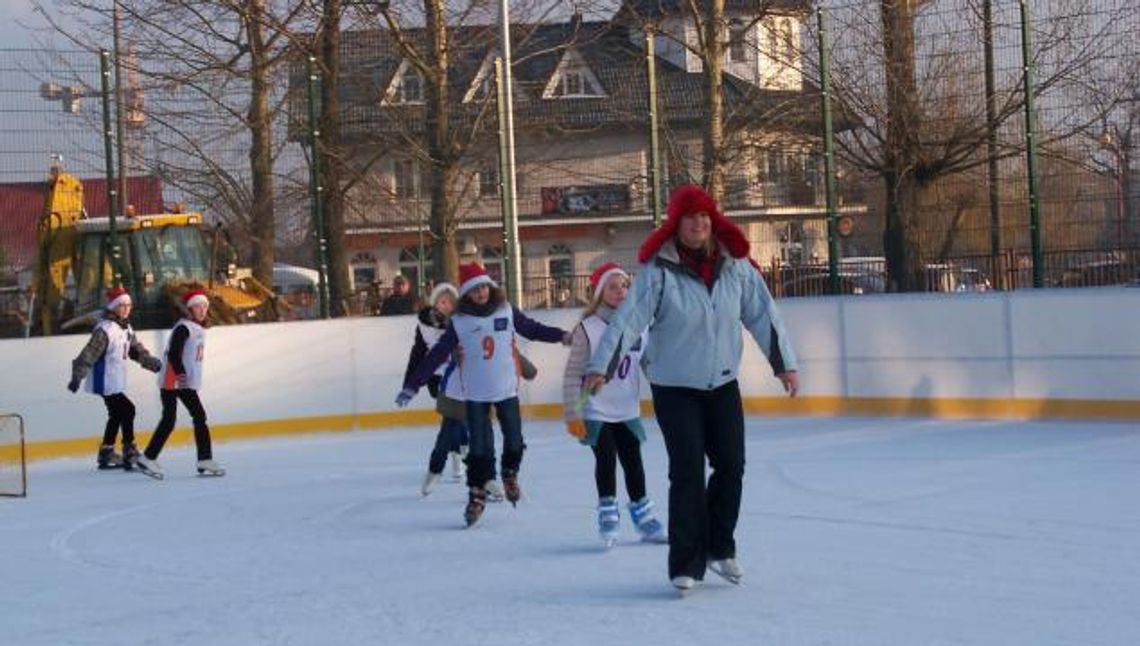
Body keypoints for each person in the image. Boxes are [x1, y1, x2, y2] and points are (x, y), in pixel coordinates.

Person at [584, 185, 799, 593]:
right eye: (690, 217)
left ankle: (720, 547)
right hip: (675, 388)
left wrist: (784, 363)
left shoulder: (736, 266)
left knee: (731, 466)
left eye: (705, 216)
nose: (699, 223)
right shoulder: (659, 273)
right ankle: (686, 562)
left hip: (721, 384)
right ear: (676, 224)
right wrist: (602, 366)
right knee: (687, 473)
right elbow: (626, 322)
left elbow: (763, 315)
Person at [397, 263, 571, 527]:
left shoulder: (506, 310)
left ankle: (509, 473)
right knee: (478, 448)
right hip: (475, 395)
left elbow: (532, 329)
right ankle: (476, 495)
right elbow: (436, 355)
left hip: (507, 391)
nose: (481, 293)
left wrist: (561, 336)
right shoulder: (459, 322)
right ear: (466, 294)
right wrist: (412, 385)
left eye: (484, 287)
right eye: (475, 289)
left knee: (514, 440)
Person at [563, 262, 666, 548]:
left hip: (627, 410)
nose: (620, 291)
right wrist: (572, 413)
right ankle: (608, 515)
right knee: (606, 459)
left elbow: (649, 365)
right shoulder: (588, 328)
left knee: (634, 462)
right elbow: (572, 374)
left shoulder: (639, 325)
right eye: (612, 286)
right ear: (599, 294)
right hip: (595, 410)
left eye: (624, 285)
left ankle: (644, 519)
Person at [67, 287, 162, 470]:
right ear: (113, 307)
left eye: (128, 305)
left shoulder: (125, 328)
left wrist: (152, 363)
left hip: (114, 380)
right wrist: (77, 377)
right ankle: (129, 450)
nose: (126, 308)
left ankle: (107, 452)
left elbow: (136, 351)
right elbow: (89, 353)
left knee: (117, 414)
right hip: (103, 380)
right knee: (128, 409)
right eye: (121, 305)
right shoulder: (105, 329)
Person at [135, 290, 225, 479]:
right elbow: (175, 353)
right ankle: (201, 458)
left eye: (205, 306)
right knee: (185, 418)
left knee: (187, 418)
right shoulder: (184, 328)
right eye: (198, 306)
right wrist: (182, 374)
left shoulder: (195, 327)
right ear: (189, 309)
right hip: (174, 380)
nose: (203, 310)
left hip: (182, 381)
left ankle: (200, 459)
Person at [402, 282, 470, 495]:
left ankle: (458, 453)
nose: (446, 306)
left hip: (461, 376)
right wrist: (409, 384)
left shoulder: (462, 322)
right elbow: (417, 354)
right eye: (442, 301)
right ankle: (460, 453)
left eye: (450, 302)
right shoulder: (424, 325)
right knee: (454, 417)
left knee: (456, 418)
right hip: (437, 378)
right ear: (435, 303)